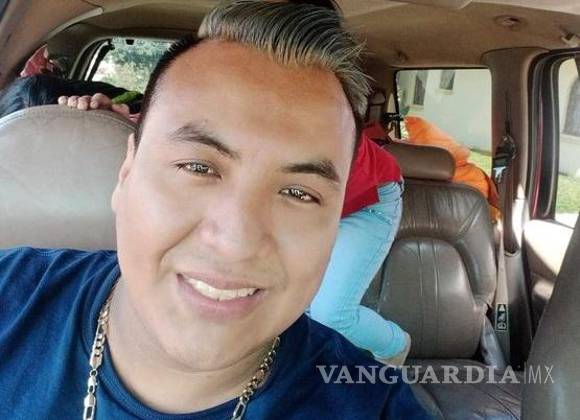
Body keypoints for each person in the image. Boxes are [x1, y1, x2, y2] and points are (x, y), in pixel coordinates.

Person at [0, 1, 431, 419]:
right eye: (198, 167)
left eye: (298, 193)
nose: (236, 243)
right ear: (126, 172)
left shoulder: (377, 406)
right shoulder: (10, 293)